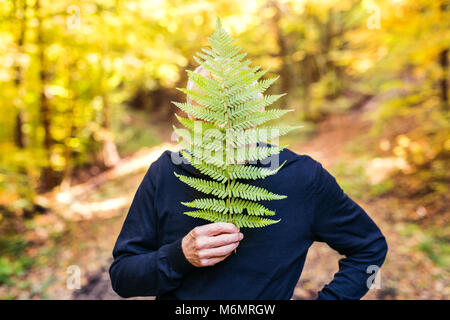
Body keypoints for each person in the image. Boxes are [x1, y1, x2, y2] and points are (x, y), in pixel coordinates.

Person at [108, 66, 388, 300]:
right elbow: (122, 277)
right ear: (191, 118)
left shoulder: (302, 178)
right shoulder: (167, 173)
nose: (225, 131)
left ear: (259, 111)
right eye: (209, 118)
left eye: (238, 116)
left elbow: (369, 247)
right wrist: (180, 256)